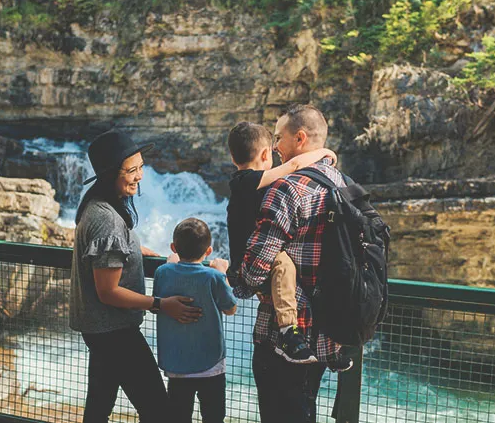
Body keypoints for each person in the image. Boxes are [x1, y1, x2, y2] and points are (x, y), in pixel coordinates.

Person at [69, 130, 202, 423]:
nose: (140, 176)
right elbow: (108, 291)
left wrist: (147, 254)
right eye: (131, 170)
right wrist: (160, 304)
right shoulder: (106, 220)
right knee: (159, 410)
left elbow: (117, 248)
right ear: (109, 174)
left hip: (99, 329)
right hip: (113, 331)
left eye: (141, 167)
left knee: (99, 407)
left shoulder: (96, 207)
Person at [236, 104, 348, 423]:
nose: (273, 147)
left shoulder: (287, 188)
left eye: (278, 137)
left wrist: (244, 283)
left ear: (299, 138)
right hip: (330, 332)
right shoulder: (345, 185)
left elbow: (257, 265)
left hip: (285, 338)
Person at [226, 121, 336, 364]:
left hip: (245, 259)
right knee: (285, 266)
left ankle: (324, 346)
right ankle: (289, 332)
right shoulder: (246, 180)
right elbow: (294, 165)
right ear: (266, 154)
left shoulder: (243, 182)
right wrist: (324, 154)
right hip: (247, 260)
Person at [152, 218, 237, 423]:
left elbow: (158, 303)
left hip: (177, 365)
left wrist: (171, 262)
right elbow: (231, 308)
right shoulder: (213, 277)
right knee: (213, 416)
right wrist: (222, 273)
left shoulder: (162, 272)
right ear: (209, 251)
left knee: (179, 416)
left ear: (173, 247)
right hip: (211, 365)